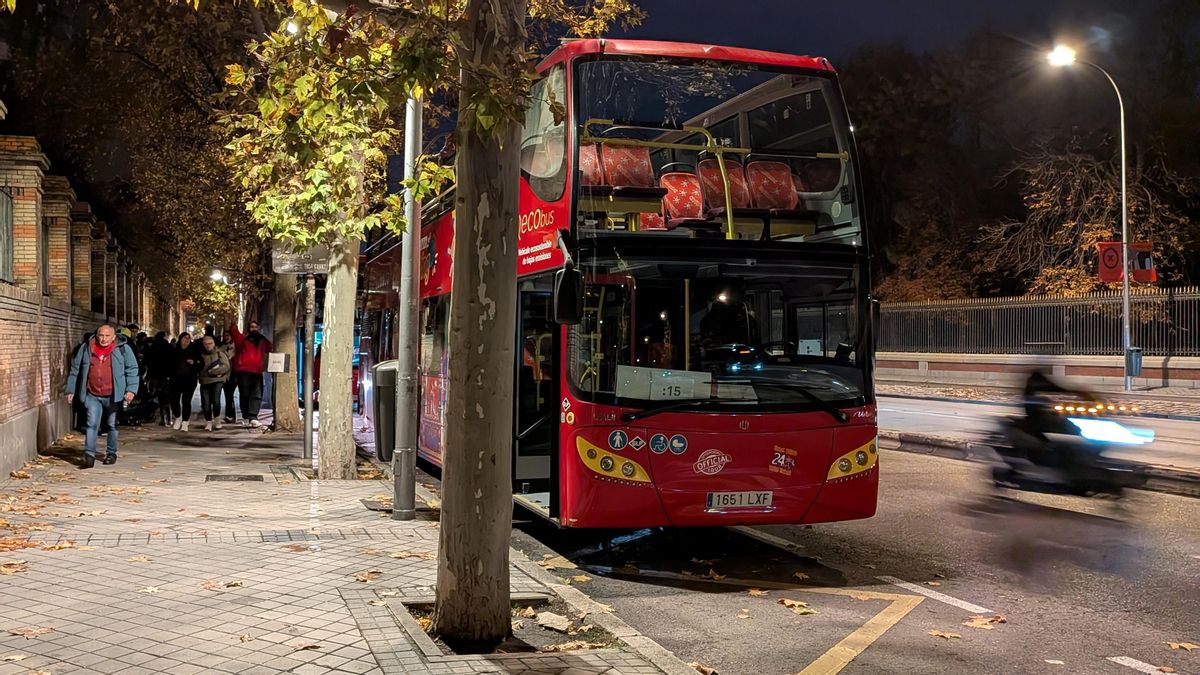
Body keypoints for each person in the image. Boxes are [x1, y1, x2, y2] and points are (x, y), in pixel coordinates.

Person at [65, 323, 139, 468]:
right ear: (97, 335)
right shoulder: (87, 347)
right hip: (92, 393)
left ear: (113, 337)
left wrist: (131, 390)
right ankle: (89, 455)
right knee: (91, 424)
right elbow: (75, 368)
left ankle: (111, 453)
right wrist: (70, 389)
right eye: (101, 335)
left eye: (107, 336)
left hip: (113, 394)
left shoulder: (123, 349)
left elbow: (132, 369)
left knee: (111, 425)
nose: (103, 339)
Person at [230, 320, 272, 427]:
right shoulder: (243, 339)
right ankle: (247, 415)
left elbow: (270, 348)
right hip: (243, 371)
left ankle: (252, 416)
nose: (254, 329)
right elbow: (235, 336)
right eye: (252, 327)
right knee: (245, 393)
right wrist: (233, 325)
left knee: (256, 394)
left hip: (257, 371)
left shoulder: (262, 340)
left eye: (255, 327)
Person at [197, 335, 231, 431]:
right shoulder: (201, 355)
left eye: (210, 343)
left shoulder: (220, 353)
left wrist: (214, 371)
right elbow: (198, 367)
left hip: (217, 380)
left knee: (216, 400)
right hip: (205, 381)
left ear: (214, 343)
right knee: (205, 402)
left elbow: (226, 366)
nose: (208, 346)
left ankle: (217, 420)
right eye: (206, 344)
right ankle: (208, 421)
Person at [170, 333, 201, 431]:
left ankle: (185, 422)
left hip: (189, 380)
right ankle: (177, 417)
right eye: (185, 338)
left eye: (189, 338)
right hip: (176, 380)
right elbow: (168, 364)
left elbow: (201, 363)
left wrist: (194, 363)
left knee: (186, 401)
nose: (187, 340)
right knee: (174, 400)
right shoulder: (174, 350)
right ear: (180, 339)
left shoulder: (194, 350)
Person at [143, 331, 174, 426]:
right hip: (167, 375)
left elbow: (146, 360)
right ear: (164, 337)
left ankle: (162, 419)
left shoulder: (152, 347)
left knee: (158, 397)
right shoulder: (169, 347)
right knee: (167, 397)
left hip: (155, 375)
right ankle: (169, 419)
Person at [219, 330, 239, 424]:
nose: (226, 337)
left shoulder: (235, 346)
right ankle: (230, 415)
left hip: (233, 374)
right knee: (228, 395)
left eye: (228, 335)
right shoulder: (221, 347)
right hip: (224, 374)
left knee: (229, 395)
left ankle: (230, 415)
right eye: (225, 335)